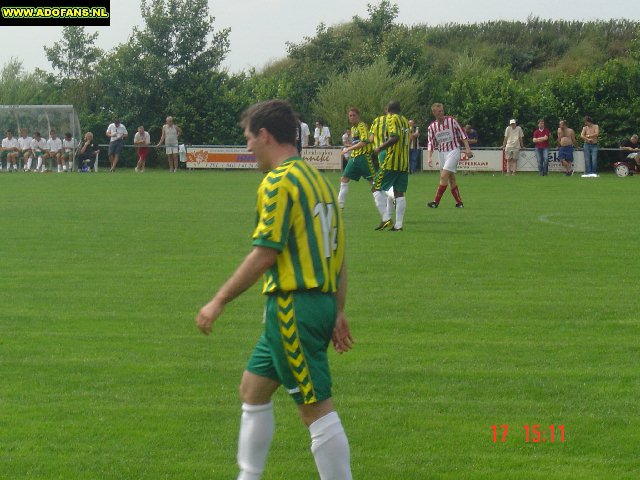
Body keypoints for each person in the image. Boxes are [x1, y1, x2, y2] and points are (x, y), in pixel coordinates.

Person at [196, 99, 353, 480]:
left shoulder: (278, 181)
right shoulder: (319, 180)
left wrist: (219, 300)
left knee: (315, 409)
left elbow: (265, 252)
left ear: (265, 135)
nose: (247, 147)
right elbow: (339, 254)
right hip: (316, 305)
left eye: (248, 138)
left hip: (292, 308)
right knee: (253, 389)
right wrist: (337, 310)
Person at [372, 100, 410, 231]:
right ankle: (399, 225)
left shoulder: (391, 119)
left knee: (375, 187)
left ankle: (386, 218)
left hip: (391, 161)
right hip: (404, 162)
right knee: (399, 193)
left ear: (388, 109)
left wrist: (379, 148)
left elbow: (394, 137)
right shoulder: (404, 120)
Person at [426, 103, 471, 209]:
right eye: (439, 111)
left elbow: (462, 134)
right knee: (451, 178)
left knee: (443, 176)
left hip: (453, 150)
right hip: (441, 153)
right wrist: (429, 157)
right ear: (434, 113)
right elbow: (431, 143)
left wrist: (467, 149)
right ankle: (459, 203)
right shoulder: (431, 127)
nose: (442, 113)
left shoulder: (451, 121)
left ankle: (435, 202)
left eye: (442, 110)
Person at [338, 107, 374, 210]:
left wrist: (347, 149)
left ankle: (388, 201)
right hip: (354, 157)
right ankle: (339, 206)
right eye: (350, 115)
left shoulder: (361, 126)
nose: (352, 117)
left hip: (363, 157)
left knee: (373, 182)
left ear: (358, 116)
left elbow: (363, 142)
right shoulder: (353, 129)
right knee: (344, 178)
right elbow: (356, 143)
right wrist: (349, 148)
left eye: (354, 115)